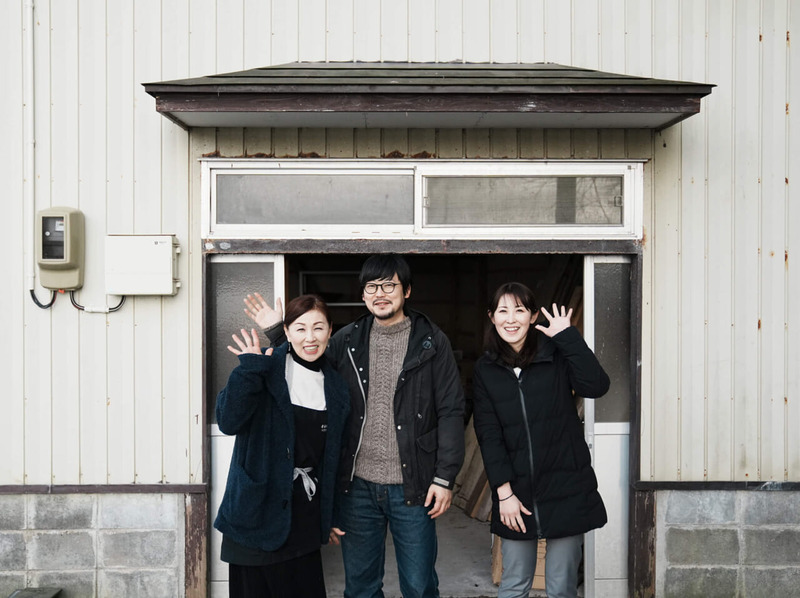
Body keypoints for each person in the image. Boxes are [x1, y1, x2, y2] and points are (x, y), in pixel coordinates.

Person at [245, 254, 465, 598]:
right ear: (363, 295)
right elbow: (306, 363)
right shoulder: (346, 341)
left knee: (420, 585)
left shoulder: (433, 342)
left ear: (406, 291)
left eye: (389, 285)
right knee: (361, 587)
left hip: (414, 485)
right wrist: (278, 332)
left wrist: (444, 477)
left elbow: (451, 410)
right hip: (357, 486)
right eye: (371, 287)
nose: (380, 294)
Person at [471, 282, 610, 598]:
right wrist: (504, 494)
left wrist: (568, 337)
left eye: (519, 310)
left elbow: (596, 385)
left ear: (533, 316)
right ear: (492, 317)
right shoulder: (485, 369)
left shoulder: (556, 354)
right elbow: (488, 433)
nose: (511, 319)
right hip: (517, 494)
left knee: (561, 587)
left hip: (566, 488)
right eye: (503, 311)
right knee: (514, 584)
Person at [214, 294, 351, 598]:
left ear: (330, 331)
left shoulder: (336, 387)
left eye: (318, 328)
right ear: (286, 332)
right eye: (300, 329)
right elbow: (228, 421)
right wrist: (249, 369)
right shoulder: (265, 364)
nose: (310, 337)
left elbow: (333, 460)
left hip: (303, 521)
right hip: (255, 515)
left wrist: (329, 515)